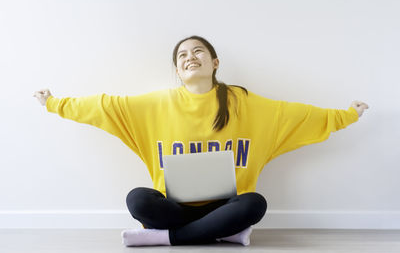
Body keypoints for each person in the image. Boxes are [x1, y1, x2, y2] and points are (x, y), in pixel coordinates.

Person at [33, 35, 369, 247]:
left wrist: (347, 115)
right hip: (173, 207)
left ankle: (167, 239)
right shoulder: (155, 104)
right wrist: (54, 103)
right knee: (138, 199)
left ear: (215, 62)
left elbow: (299, 116)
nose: (190, 57)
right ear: (178, 70)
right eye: (182, 56)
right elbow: (103, 106)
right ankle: (223, 233)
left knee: (255, 204)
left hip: (228, 206)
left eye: (198, 51)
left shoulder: (244, 102)